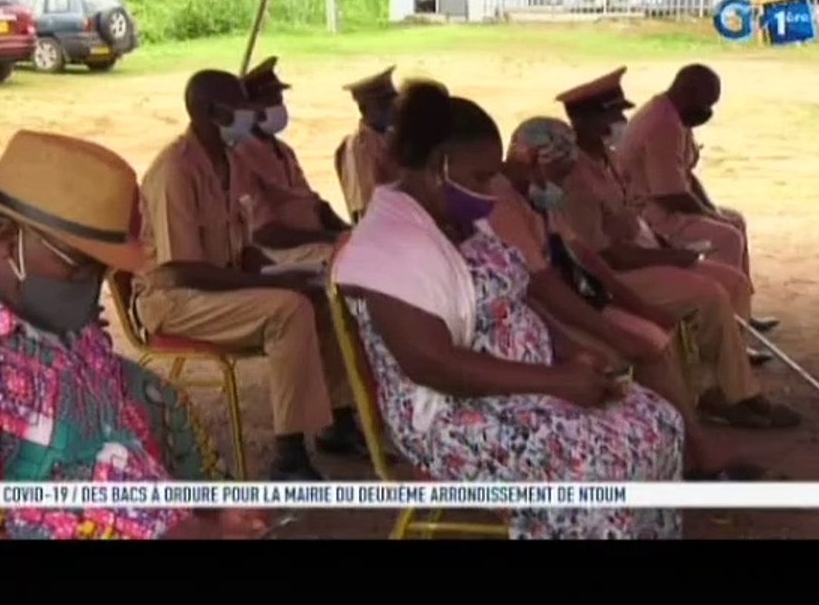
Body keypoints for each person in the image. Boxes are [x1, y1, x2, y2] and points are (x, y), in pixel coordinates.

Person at [0, 129, 266, 540]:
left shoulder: (50, 321)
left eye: (103, 271)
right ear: (9, 242)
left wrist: (212, 506)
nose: (94, 290)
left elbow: (128, 415)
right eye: (80, 267)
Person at [335, 80, 684, 539]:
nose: (492, 192)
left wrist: (569, 351)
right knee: (596, 464)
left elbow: (513, 296)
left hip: (522, 390)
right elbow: (433, 365)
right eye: (481, 177)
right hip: (452, 417)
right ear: (441, 167)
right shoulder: (389, 245)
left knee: (658, 421)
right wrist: (555, 381)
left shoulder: (456, 223)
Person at [135, 69, 363, 481]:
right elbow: (182, 269)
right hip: (175, 300)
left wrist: (287, 271)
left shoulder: (230, 160)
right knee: (287, 309)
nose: (248, 117)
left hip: (215, 287)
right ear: (208, 112)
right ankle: (288, 455)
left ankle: (338, 421)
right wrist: (273, 282)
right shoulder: (175, 171)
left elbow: (244, 248)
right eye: (238, 109)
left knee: (320, 297)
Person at [503, 116, 799, 432]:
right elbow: (568, 275)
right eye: (554, 175)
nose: (558, 183)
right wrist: (618, 318)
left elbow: (587, 257)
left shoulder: (548, 192)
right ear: (534, 160)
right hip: (578, 297)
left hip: (600, 285)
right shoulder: (517, 199)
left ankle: (721, 400)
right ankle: (701, 420)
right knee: (671, 324)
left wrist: (642, 293)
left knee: (707, 297)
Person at [554, 67, 772, 366]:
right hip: (646, 231)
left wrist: (704, 216)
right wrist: (671, 255)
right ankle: (724, 341)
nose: (621, 123)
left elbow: (684, 177)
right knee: (725, 244)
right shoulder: (658, 127)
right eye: (613, 116)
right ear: (587, 123)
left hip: (645, 234)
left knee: (731, 241)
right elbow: (665, 198)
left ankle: (735, 330)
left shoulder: (609, 155)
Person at [617, 64, 777, 333]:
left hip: (664, 204)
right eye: (706, 103)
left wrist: (711, 209)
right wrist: (707, 214)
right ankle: (726, 328)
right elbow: (670, 194)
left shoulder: (673, 113)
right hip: (649, 215)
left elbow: (685, 177)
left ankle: (742, 310)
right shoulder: (662, 125)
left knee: (734, 220)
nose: (708, 112)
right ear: (688, 93)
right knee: (727, 237)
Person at [237, 56, 348, 267]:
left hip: (312, 241)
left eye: (280, 101)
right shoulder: (241, 158)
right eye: (272, 102)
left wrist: (345, 230)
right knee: (345, 261)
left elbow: (313, 203)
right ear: (251, 109)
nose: (280, 108)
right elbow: (264, 233)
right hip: (278, 253)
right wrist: (328, 239)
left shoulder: (283, 150)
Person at [335, 66, 399, 222]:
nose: (393, 106)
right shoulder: (358, 149)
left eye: (394, 99)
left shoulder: (391, 136)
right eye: (383, 103)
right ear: (364, 109)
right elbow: (367, 205)